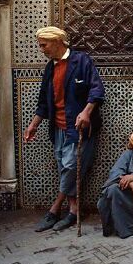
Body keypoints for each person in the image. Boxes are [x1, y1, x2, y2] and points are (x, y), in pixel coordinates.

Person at [24, 26, 104, 232]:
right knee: (64, 167)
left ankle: (54, 209)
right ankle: (74, 211)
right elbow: (43, 102)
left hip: (78, 128)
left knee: (70, 167)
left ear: (58, 41)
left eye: (44, 45)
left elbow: (97, 90)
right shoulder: (50, 67)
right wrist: (33, 125)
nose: (41, 49)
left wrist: (86, 112)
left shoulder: (81, 61)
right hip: (58, 127)